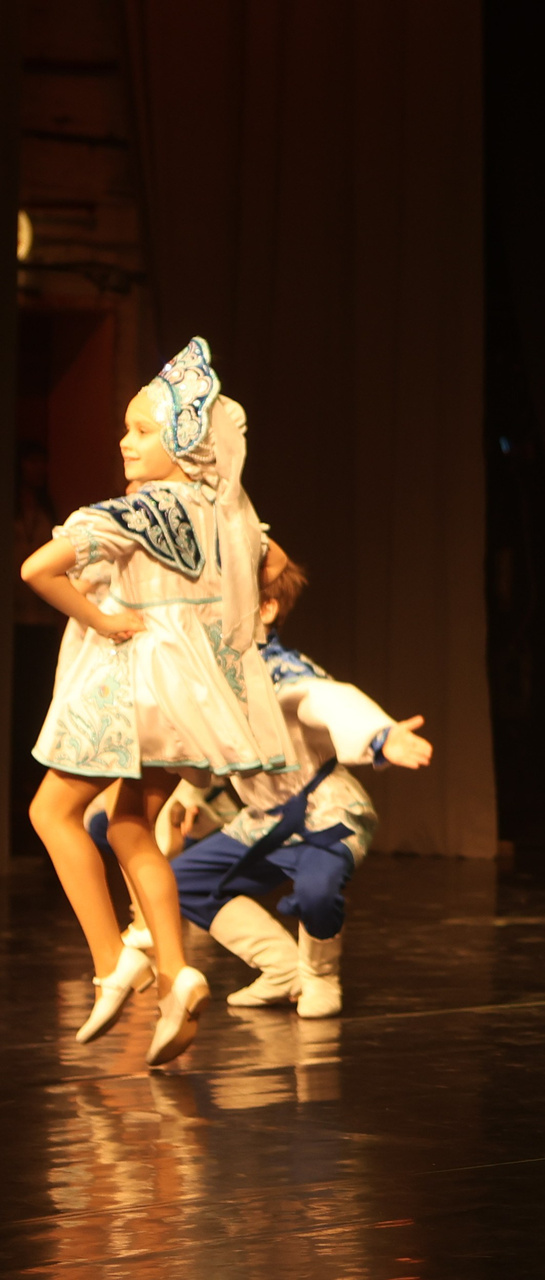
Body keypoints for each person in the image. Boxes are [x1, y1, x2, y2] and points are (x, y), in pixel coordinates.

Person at [21, 336, 292, 1065]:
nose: (126, 441)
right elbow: (274, 563)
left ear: (183, 443)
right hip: (188, 696)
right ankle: (177, 975)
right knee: (130, 825)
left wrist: (106, 618)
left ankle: (113, 960)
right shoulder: (221, 514)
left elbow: (37, 569)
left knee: (51, 813)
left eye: (143, 430)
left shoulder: (134, 513)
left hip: (131, 689)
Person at [168, 555, 434, 1017]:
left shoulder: (280, 669)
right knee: (182, 880)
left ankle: (320, 975)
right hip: (264, 820)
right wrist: (190, 794)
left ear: (266, 609)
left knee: (316, 891)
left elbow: (325, 699)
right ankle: (281, 968)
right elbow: (211, 746)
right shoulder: (216, 677)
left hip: (324, 813)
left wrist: (380, 735)